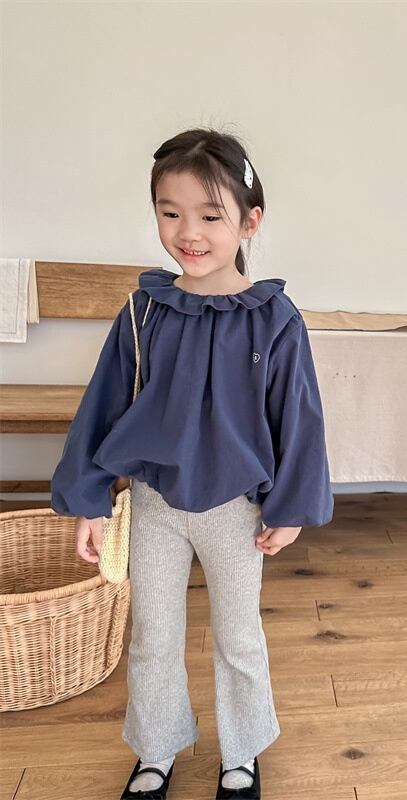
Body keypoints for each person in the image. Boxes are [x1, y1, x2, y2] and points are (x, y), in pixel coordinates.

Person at [50, 127, 334, 800]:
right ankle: (155, 751)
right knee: (152, 636)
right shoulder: (143, 311)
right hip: (154, 504)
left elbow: (299, 416)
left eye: (210, 216)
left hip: (237, 510)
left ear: (249, 221)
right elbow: (103, 404)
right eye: (170, 212)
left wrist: (292, 506)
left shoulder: (276, 319)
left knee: (239, 636)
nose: (188, 232)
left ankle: (242, 754)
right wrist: (90, 500)